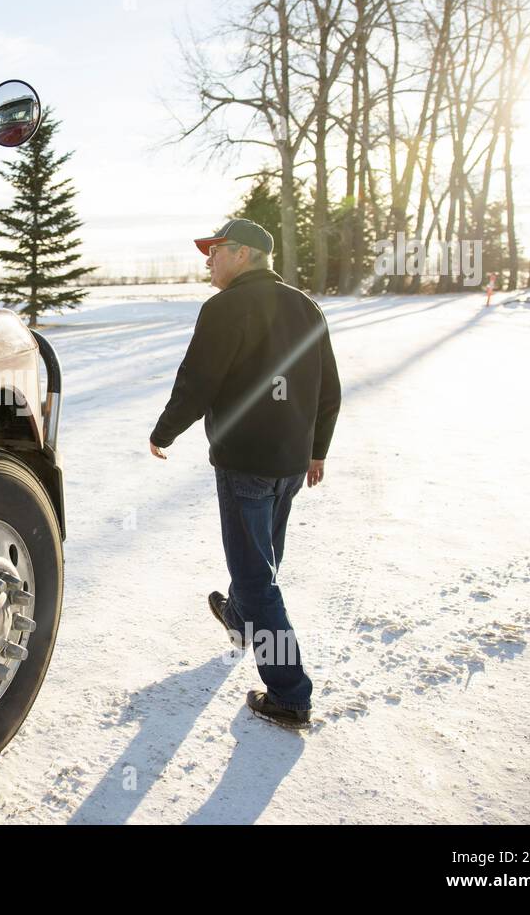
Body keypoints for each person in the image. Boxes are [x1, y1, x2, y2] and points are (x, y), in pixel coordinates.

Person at [148, 219, 341, 730]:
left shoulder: (225, 308)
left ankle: (289, 694)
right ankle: (237, 617)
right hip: (291, 464)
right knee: (262, 557)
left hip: (246, 464)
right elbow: (328, 390)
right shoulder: (306, 307)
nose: (207, 260)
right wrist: (316, 450)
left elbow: (198, 383)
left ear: (242, 253)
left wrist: (164, 432)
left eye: (214, 251)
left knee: (257, 579)